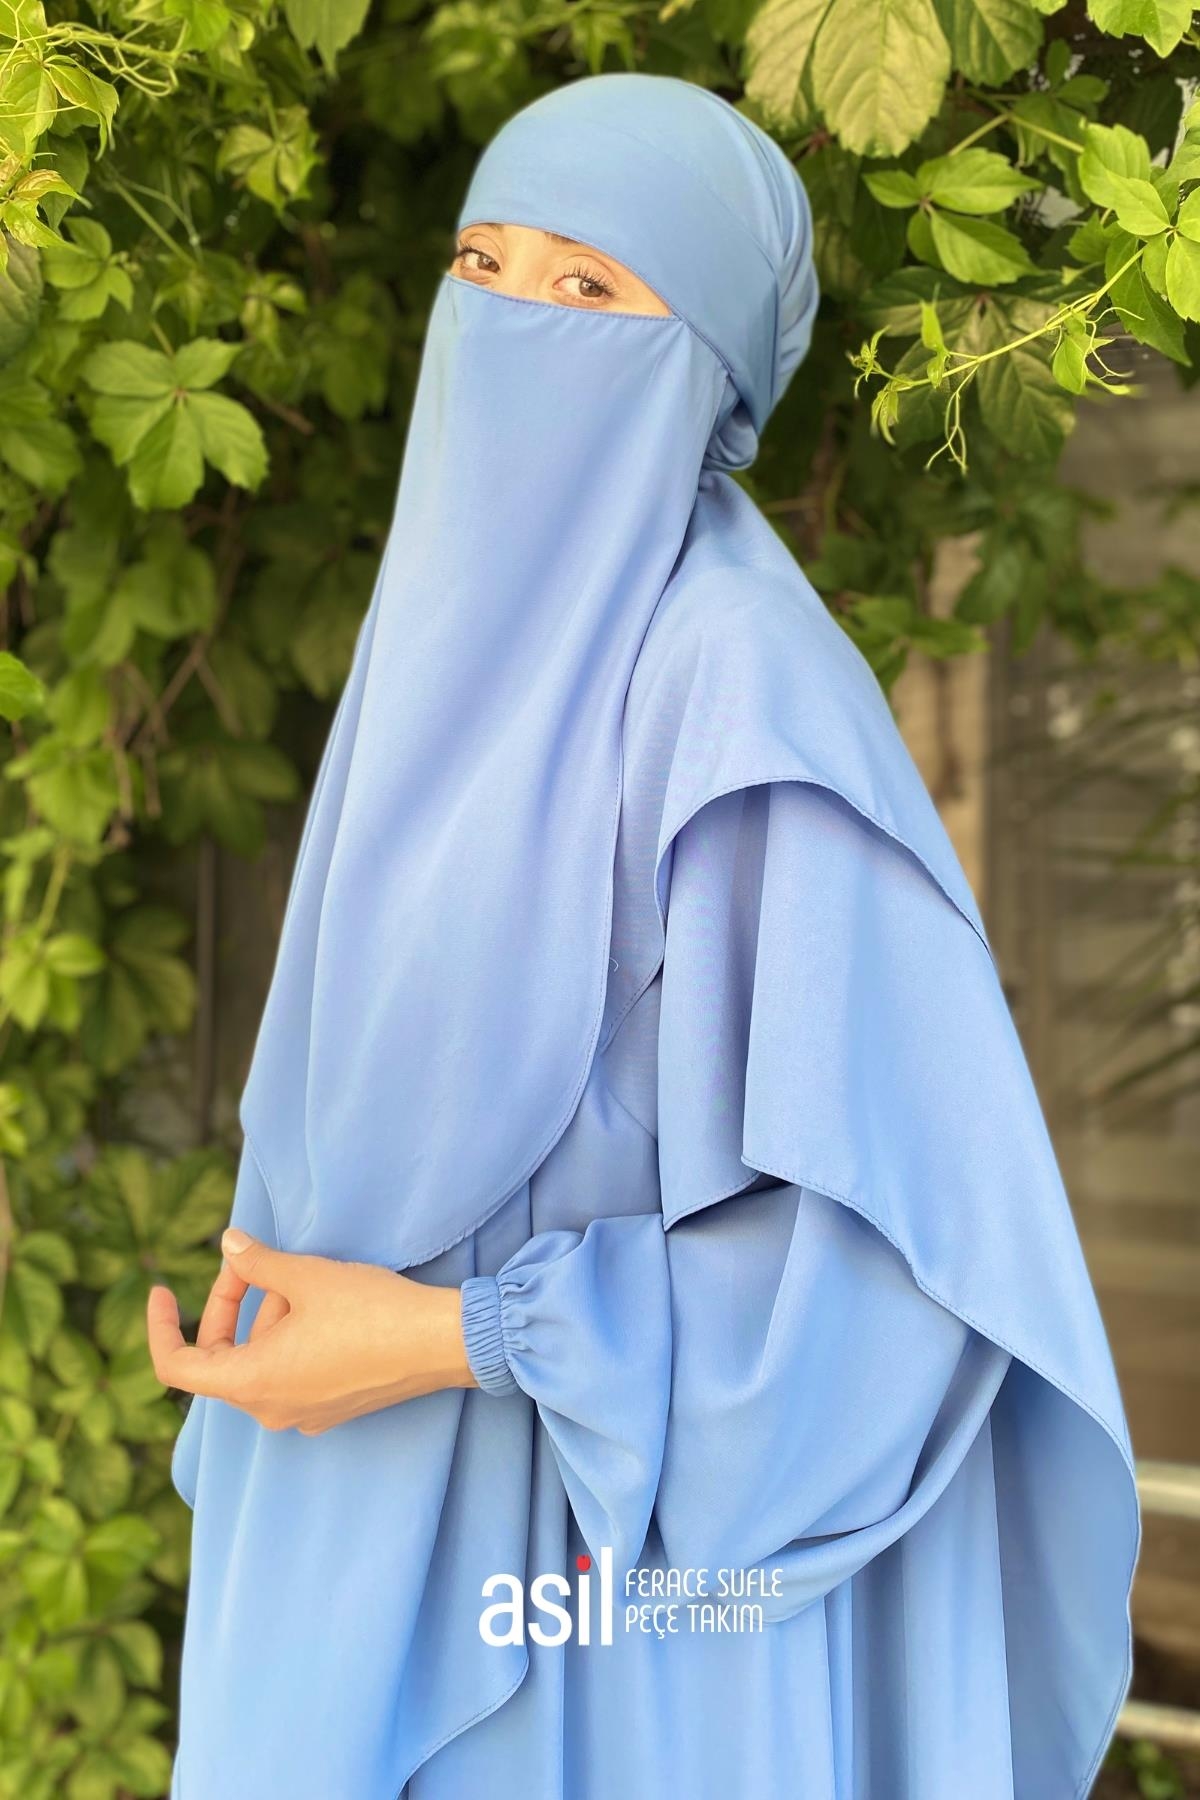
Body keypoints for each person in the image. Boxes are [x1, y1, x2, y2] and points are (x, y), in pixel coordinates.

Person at [151, 72, 1141, 1800]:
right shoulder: (448, 667)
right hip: (359, 1526)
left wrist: (456, 1338)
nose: (513, 319)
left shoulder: (735, 694)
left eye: (589, 286)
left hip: (606, 1617)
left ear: (706, 376)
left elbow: (896, 1277)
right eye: (483, 264)